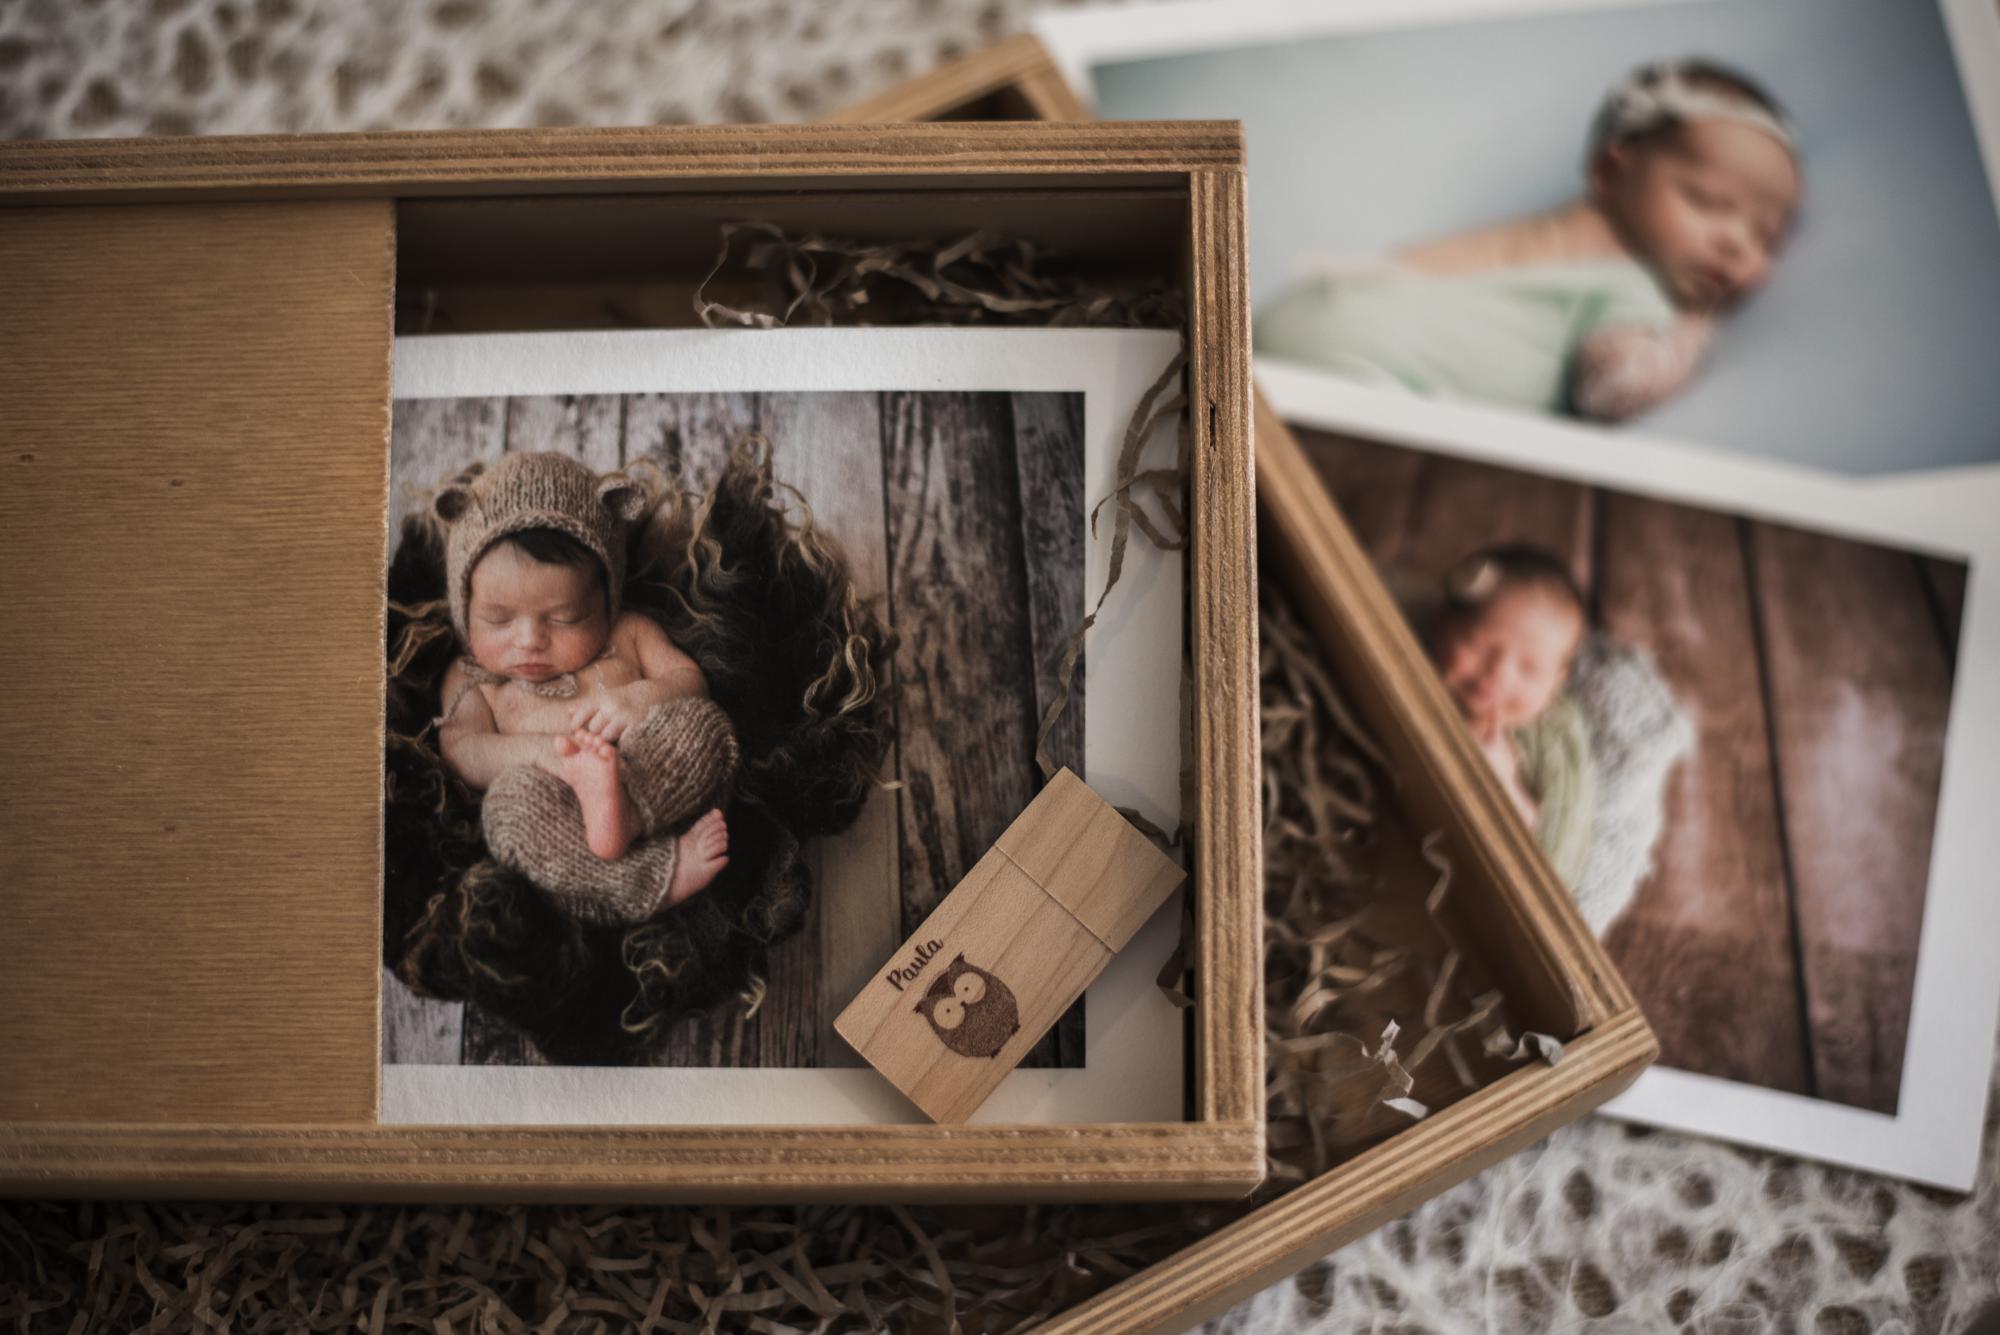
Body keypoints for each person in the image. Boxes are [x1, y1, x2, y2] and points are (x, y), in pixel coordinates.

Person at [1256, 58, 1802, 421]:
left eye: (1767, 236)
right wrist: (1691, 333)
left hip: (1307, 332)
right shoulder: (1633, 287)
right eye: (1709, 202)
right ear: (1613, 171)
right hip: (1367, 379)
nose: (1736, 244)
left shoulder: (1572, 252)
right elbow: (1614, 387)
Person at [432, 451, 736, 925]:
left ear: (607, 597)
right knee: (507, 808)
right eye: (498, 619)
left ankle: (627, 811)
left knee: (703, 722)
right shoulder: (474, 676)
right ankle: (654, 876)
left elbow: (690, 681)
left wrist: (639, 700)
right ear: (463, 605)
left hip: (656, 787)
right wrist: (540, 756)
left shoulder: (628, 634)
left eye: (565, 618)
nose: (529, 641)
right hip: (562, 830)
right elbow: (461, 748)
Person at [1427, 545, 1596, 885]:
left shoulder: (1554, 739)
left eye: (1529, 669)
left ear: (1556, 684)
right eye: (1479, 644)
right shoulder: (1414, 663)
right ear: (1441, 624)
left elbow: (1559, 848)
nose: (1498, 672)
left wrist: (1505, 784)